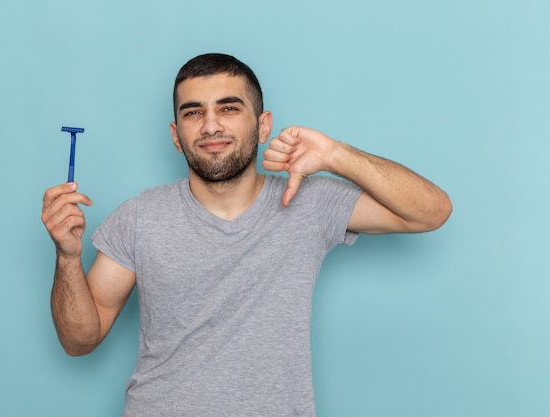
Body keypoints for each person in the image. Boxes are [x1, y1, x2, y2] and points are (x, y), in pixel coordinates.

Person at [41, 53, 452, 416]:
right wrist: (67, 257)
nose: (211, 125)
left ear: (263, 124)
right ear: (175, 135)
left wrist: (335, 155)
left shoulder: (308, 202)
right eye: (193, 112)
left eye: (229, 107)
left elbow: (431, 212)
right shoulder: (139, 218)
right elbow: (80, 340)